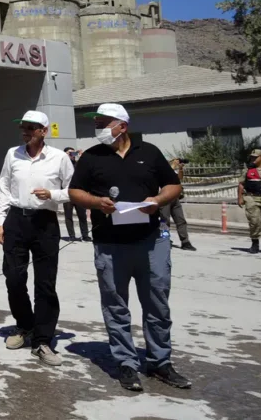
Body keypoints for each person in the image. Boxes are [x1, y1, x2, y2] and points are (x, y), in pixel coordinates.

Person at [68, 103, 191, 393]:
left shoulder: (148, 152)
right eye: (96, 122)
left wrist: (157, 201)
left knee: (157, 306)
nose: (98, 128)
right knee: (115, 306)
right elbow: (75, 191)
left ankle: (160, 362)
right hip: (110, 245)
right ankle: (125, 363)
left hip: (152, 243)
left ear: (122, 126)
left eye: (103, 122)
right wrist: (97, 203)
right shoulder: (91, 157)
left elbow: (173, 186)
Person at [0, 110, 74, 366]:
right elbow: (4, 187)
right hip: (16, 219)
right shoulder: (12, 154)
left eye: (31, 127)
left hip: (45, 222)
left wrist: (52, 195)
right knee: (14, 278)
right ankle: (24, 326)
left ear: (43, 131)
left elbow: (73, 190)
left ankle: (42, 340)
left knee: (45, 284)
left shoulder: (59, 158)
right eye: (23, 127)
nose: (25, 131)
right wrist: (0, 221)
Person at [160, 159, 195, 251]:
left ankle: (185, 242)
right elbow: (166, 177)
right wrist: (173, 166)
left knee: (181, 220)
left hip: (175, 199)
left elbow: (179, 178)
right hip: (164, 198)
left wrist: (180, 169)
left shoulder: (173, 170)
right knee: (165, 221)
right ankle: (164, 240)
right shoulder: (161, 170)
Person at [62, 147, 91, 242]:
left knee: (82, 215)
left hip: (79, 193)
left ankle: (85, 235)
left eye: (73, 153)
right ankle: (71, 236)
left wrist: (82, 157)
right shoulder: (63, 165)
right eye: (70, 153)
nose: (72, 155)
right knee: (68, 216)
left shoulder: (78, 164)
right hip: (67, 194)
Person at [238, 148, 261, 254]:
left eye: (255, 157)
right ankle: (255, 243)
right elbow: (241, 184)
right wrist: (240, 198)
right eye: (252, 157)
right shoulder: (247, 169)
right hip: (252, 198)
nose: (253, 159)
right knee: (254, 222)